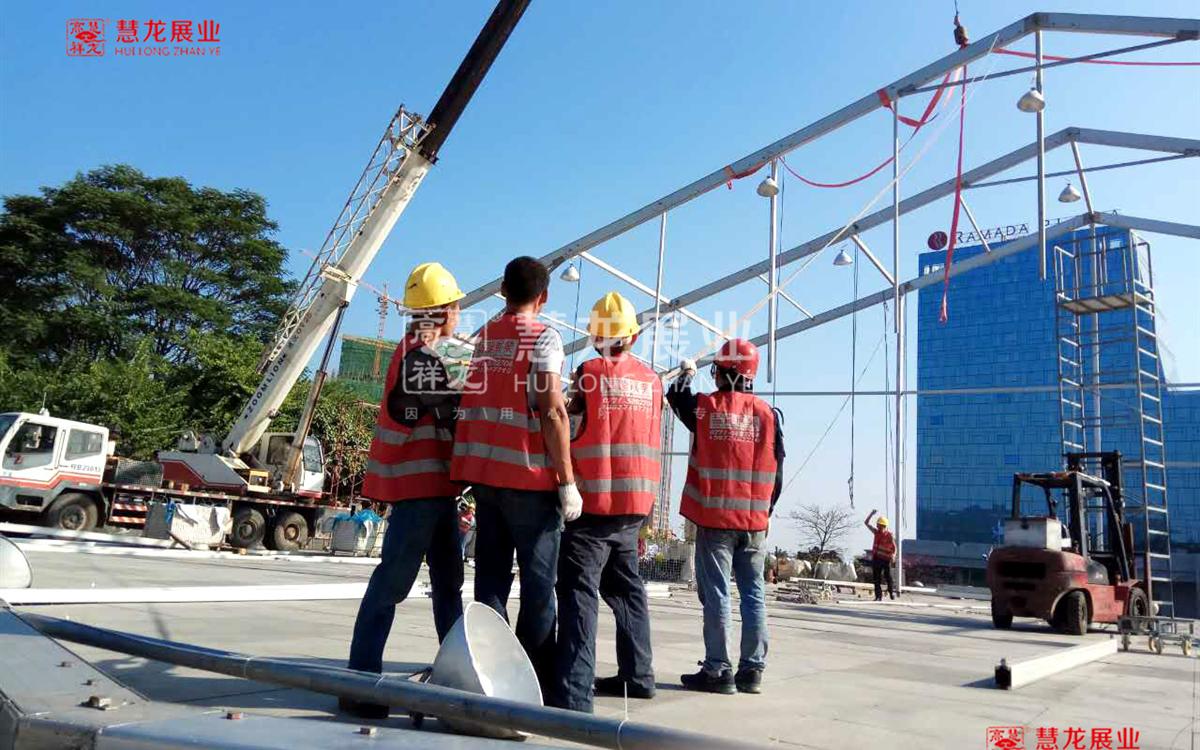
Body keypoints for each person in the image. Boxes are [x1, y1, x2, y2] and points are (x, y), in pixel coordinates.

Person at [449, 256, 581, 695]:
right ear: (544, 297)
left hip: (487, 479)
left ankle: (489, 674)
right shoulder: (544, 337)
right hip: (529, 482)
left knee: (490, 583)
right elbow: (552, 410)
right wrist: (567, 481)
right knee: (539, 588)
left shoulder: (485, 337)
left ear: (503, 290)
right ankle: (532, 683)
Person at [343, 262, 466, 719]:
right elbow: (452, 413)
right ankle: (359, 683)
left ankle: (459, 677)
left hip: (435, 487)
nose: (458, 315)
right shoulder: (423, 355)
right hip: (419, 487)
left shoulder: (423, 349)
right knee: (393, 582)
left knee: (449, 586)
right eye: (456, 307)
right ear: (443, 310)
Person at [553, 292, 661, 713]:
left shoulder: (589, 372)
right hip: (634, 506)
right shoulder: (652, 381)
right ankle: (639, 675)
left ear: (596, 337)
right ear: (632, 336)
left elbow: (568, 420)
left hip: (593, 505)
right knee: (627, 590)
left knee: (579, 594)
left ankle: (574, 692)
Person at [667, 339, 784, 696]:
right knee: (754, 594)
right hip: (755, 523)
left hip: (716, 521)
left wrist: (687, 373)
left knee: (717, 594)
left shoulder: (707, 409)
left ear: (724, 372)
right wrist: (765, 511)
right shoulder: (768, 414)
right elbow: (778, 471)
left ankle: (718, 669)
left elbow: (676, 397)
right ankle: (752, 670)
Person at [864, 510, 896, 601]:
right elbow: (866, 523)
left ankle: (891, 592)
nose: (879, 527)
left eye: (881, 526)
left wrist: (893, 555)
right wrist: (871, 514)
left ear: (884, 526)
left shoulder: (889, 535)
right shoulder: (876, 532)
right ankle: (878, 596)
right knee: (876, 578)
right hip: (877, 558)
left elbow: (894, 547)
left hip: (886, 559)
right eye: (878, 525)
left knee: (888, 576)